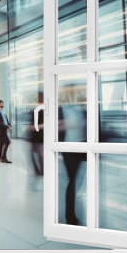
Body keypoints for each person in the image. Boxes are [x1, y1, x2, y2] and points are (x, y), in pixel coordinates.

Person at [58, 83, 87, 225]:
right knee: (72, 180)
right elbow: (54, 127)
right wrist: (64, 124)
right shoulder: (60, 109)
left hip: (83, 147)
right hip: (69, 149)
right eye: (69, 92)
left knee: (78, 179)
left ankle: (74, 197)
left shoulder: (81, 108)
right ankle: (70, 215)